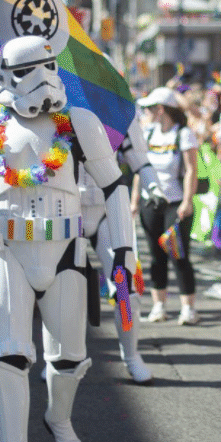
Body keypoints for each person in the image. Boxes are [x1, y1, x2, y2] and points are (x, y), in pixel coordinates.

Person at [0, 36, 136, 442]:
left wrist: (125, 252)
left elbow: (115, 186)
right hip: (6, 249)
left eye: (47, 66)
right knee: (6, 357)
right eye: (27, 70)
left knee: (69, 360)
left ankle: (58, 420)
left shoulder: (79, 121)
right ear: (7, 74)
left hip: (65, 251)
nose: (40, 79)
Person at [81, 120, 158, 383]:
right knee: (61, 289)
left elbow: (139, 158)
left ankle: (131, 355)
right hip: (67, 208)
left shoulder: (116, 107)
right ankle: (57, 358)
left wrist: (153, 186)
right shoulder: (56, 103)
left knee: (126, 289)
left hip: (108, 208)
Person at [136, 86, 201, 326]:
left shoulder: (183, 134)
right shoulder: (148, 132)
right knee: (155, 256)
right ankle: (159, 306)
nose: (147, 112)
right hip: (150, 202)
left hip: (175, 203)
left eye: (150, 108)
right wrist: (135, 202)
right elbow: (140, 170)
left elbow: (191, 170)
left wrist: (187, 200)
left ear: (161, 109)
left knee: (179, 255)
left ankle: (188, 309)